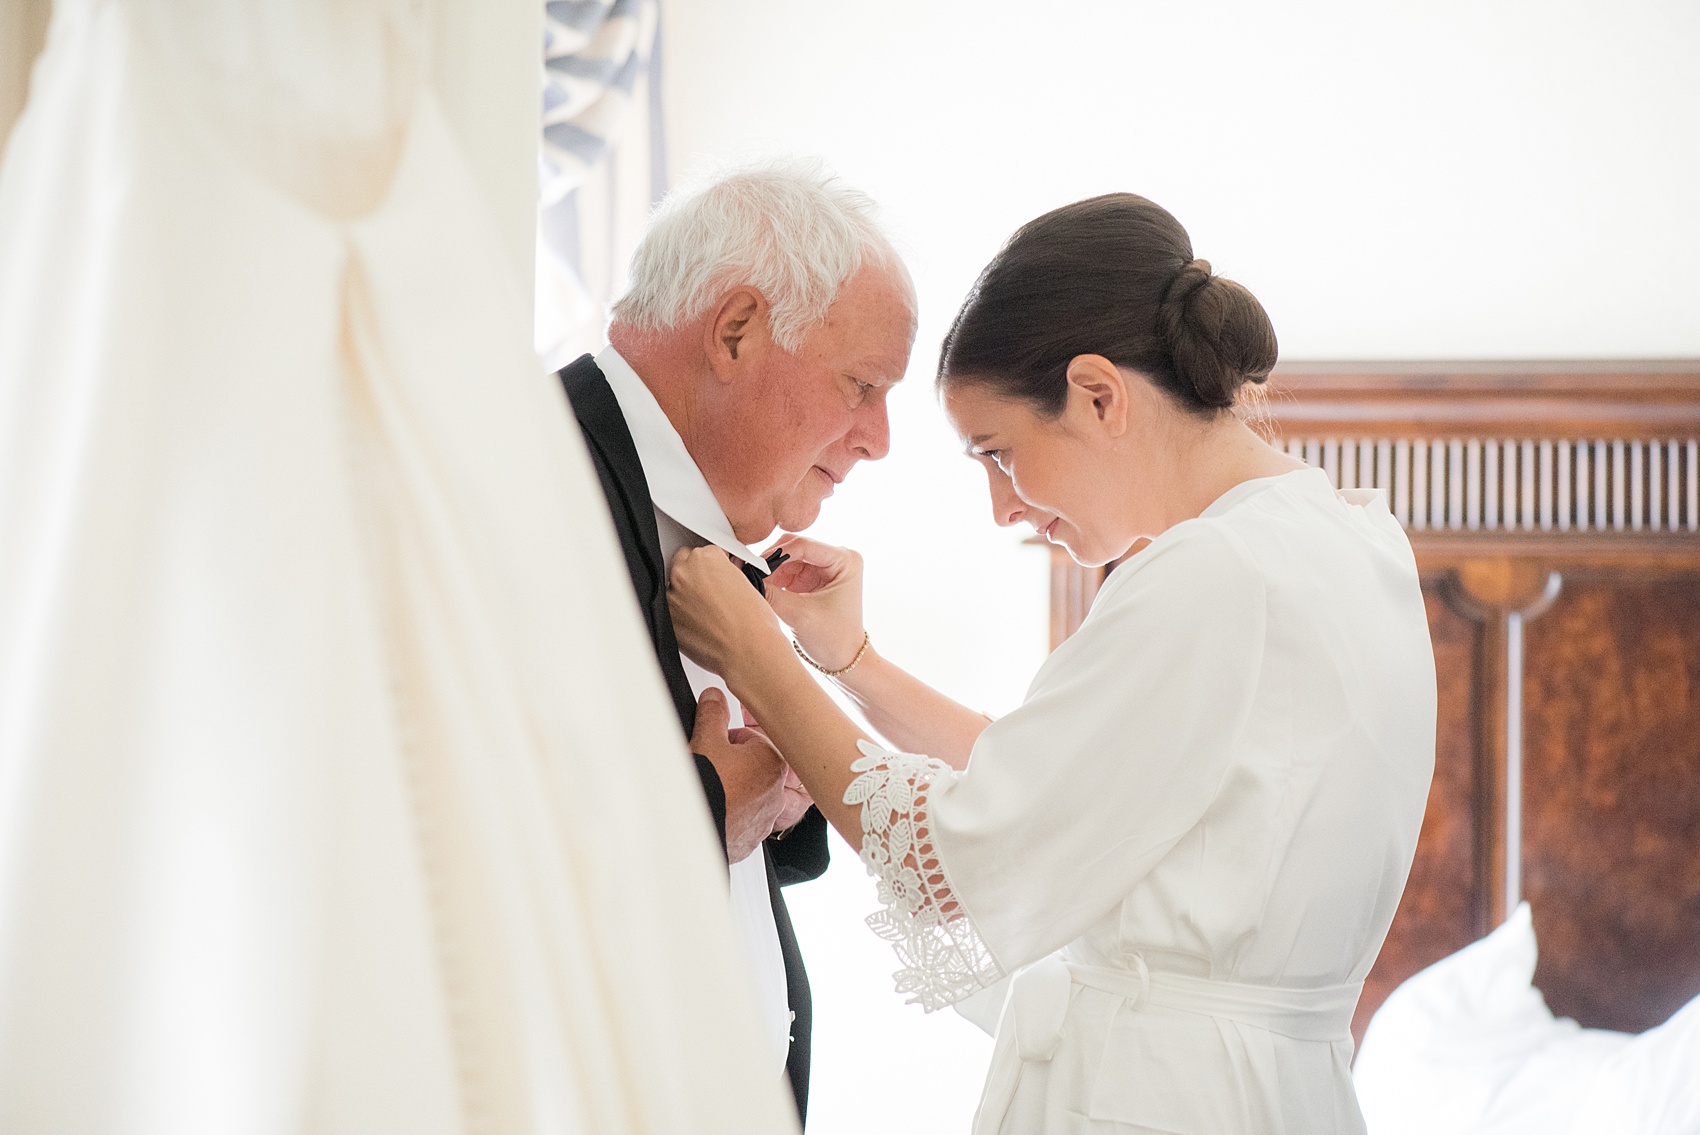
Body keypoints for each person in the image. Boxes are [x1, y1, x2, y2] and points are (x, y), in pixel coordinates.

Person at [667, 193, 1438, 1134]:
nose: (1003, 509)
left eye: (998, 452)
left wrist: (758, 662)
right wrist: (852, 663)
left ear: (1100, 394)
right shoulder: (1344, 539)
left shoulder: (1210, 574)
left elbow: (954, 858)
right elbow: (1059, 777)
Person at [556, 161, 916, 1124]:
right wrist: (713, 803)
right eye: (864, 384)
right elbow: (469, 848)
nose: (879, 437)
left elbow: (761, 863)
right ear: (736, 332)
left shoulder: (727, 548)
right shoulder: (534, 479)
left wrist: (779, 783)